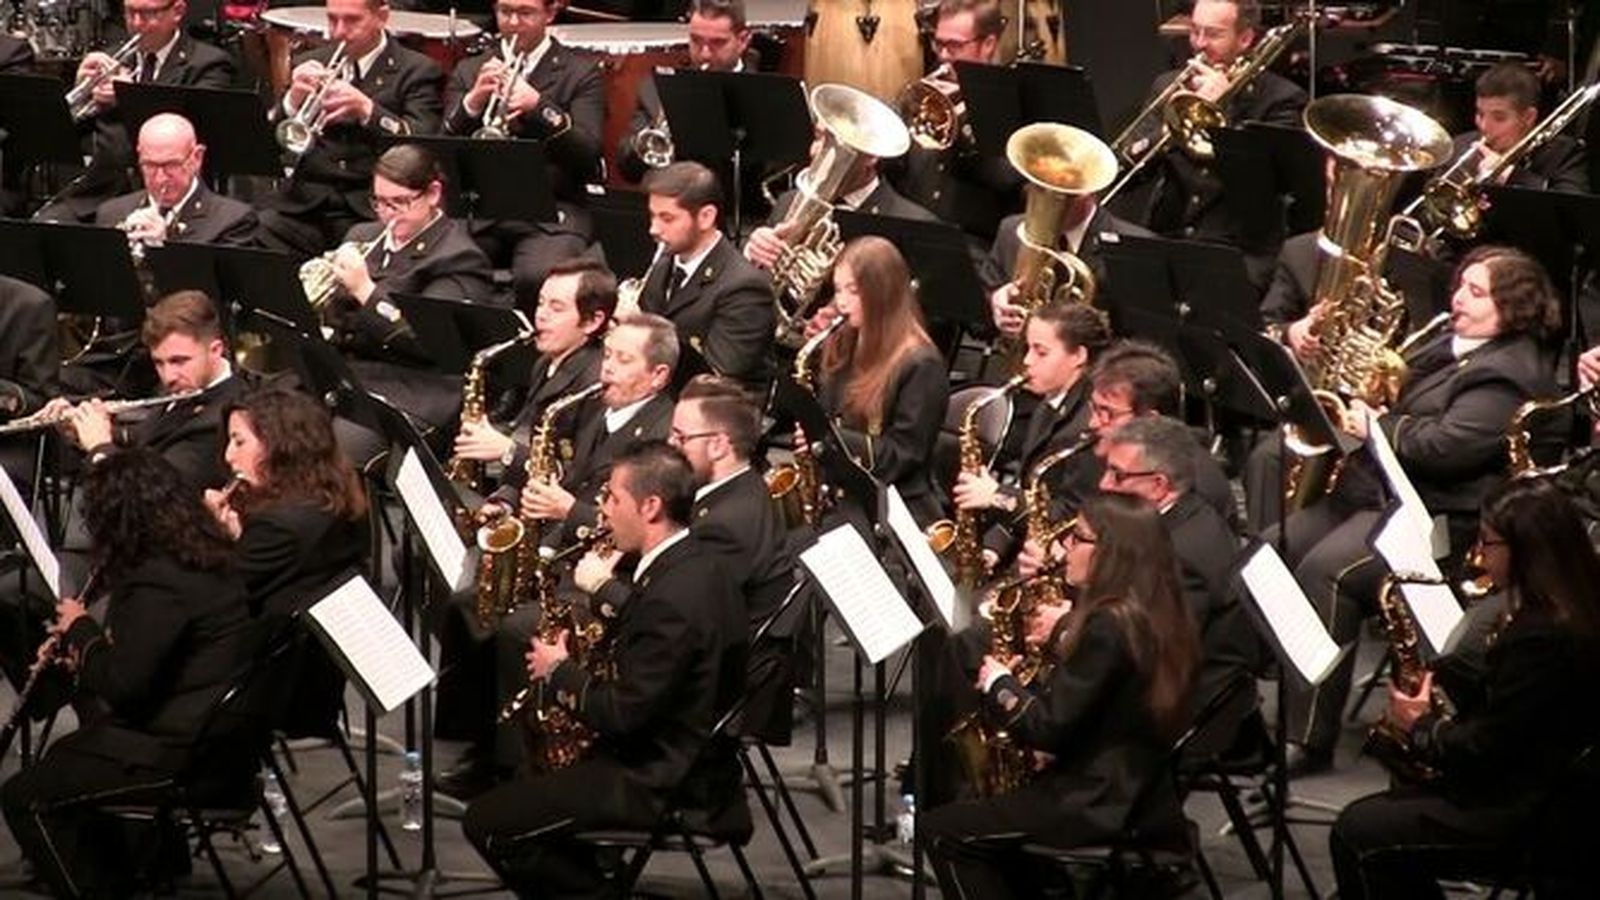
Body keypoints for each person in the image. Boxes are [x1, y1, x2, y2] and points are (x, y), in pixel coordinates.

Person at [1274, 245, 1560, 775]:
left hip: (1435, 518)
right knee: (1274, 547)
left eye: (1477, 292)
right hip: (1377, 493)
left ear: (1513, 306)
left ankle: (1308, 736)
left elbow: (1447, 447)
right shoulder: (1450, 342)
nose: (1458, 299)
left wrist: (1377, 424)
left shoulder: (1509, 372)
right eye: (1460, 286)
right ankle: (1255, 708)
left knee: (1326, 573)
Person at [463, 442, 750, 895]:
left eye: (613, 499)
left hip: (661, 780)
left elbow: (622, 714)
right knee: (527, 786)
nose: (603, 511)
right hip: (691, 759)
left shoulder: (674, 595)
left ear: (651, 506)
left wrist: (558, 672)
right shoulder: (697, 564)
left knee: (488, 822)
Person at [920, 492, 1202, 898]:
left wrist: (1001, 683)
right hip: (1141, 790)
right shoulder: (1157, 608)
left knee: (943, 831)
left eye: (1078, 538)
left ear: (1111, 553)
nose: (1065, 549)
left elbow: (1047, 727)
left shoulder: (1109, 625)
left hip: (1095, 801)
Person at [0, 449, 254, 898]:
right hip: (217, 738)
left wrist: (80, 629)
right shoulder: (204, 554)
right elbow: (151, 655)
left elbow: (123, 686)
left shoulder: (158, 578)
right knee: (65, 756)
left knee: (25, 796)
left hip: (181, 753)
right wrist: (87, 653)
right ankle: (132, 873)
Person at [1330, 478, 1600, 898]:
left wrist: (1421, 725)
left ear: (1523, 551)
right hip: (1553, 789)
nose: (1478, 554)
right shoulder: (1577, 601)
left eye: (1488, 543)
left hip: (1532, 813)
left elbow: (1486, 749)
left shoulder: (1542, 636)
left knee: (1356, 832)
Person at [203, 388, 369, 738]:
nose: (228, 456)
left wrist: (211, 533)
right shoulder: (333, 497)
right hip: (316, 681)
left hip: (267, 688)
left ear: (280, 445)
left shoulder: (278, 525)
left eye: (239, 442)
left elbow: (213, 595)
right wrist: (239, 539)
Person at [1097, 416, 1259, 754]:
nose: (1104, 484)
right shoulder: (1187, 513)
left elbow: (1148, 653)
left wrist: (1065, 627)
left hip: (1179, 710)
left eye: (1118, 474)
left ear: (1158, 485)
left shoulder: (1180, 556)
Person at [321, 143, 498, 432]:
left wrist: (365, 290)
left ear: (433, 194)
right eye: (379, 202)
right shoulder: (362, 235)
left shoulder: (459, 257)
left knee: (341, 440)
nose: (388, 214)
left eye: (400, 202)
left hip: (413, 387)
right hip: (352, 373)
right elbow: (337, 317)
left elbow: (429, 343)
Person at [1130, 0, 1305, 283]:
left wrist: (1225, 110)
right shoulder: (1168, 86)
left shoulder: (1282, 100)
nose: (1198, 44)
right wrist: (1170, 126)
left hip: (1238, 253)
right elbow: (1130, 174)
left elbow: (1263, 184)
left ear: (1245, 38)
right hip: (1167, 238)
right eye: (1194, 31)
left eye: (1212, 34)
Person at [443, 0, 604, 305]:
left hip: (553, 210)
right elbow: (441, 148)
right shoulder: (469, 70)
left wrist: (539, 108)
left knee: (540, 276)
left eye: (525, 12)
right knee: (443, 263)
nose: (513, 22)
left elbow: (588, 155)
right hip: (480, 209)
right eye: (505, 11)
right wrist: (473, 102)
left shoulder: (581, 73)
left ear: (550, 13)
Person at [259, 0, 444, 258]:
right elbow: (267, 141)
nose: (338, 32)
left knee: (361, 244)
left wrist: (369, 111)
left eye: (351, 20)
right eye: (332, 19)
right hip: (307, 204)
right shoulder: (310, 62)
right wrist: (293, 100)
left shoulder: (417, 70)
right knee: (254, 227)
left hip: (369, 206)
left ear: (382, 17)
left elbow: (424, 144)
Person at [667, 375, 796, 740]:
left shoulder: (727, 523)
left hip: (715, 681)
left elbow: (682, 618)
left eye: (681, 437)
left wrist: (605, 587)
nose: (670, 446)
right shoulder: (737, 488)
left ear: (720, 445)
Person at [35, 0, 235, 223]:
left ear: (177, 11)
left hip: (168, 193)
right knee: (43, 229)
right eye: (130, 13)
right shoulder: (110, 58)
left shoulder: (208, 64)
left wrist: (129, 96)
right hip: (103, 192)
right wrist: (79, 91)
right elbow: (56, 138)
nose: (137, 23)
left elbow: (196, 127)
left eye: (148, 13)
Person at [956, 302, 1112, 574]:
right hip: (1026, 547)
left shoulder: (1088, 427)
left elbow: (1070, 515)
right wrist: (994, 547)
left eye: (1041, 352)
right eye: (1028, 349)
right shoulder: (1045, 406)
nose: (1027, 360)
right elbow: (1027, 484)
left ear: (1078, 356)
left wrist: (996, 495)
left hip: (1060, 564)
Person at [810, 236, 949, 525]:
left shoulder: (921, 364)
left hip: (892, 505)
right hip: (844, 490)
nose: (842, 302)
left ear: (881, 293)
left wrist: (833, 440)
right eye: (838, 290)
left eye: (853, 291)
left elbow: (904, 454)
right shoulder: (845, 341)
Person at [52, 290, 249, 491]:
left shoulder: (223, 417)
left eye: (179, 361)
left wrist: (99, 447)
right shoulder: (188, 385)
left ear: (215, 350)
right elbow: (148, 437)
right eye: (159, 363)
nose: (168, 376)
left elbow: (154, 495)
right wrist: (85, 430)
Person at [450, 257, 615, 472]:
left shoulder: (596, 383)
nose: (540, 315)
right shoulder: (544, 362)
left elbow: (576, 472)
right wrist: (503, 501)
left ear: (593, 321)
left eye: (556, 308)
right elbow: (528, 435)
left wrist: (509, 451)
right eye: (540, 303)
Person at [887, 0, 1019, 246]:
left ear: (988, 44)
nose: (943, 55)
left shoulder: (1012, 101)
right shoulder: (923, 95)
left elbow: (1006, 179)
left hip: (973, 249)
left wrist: (966, 122)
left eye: (955, 46)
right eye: (939, 43)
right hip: (909, 234)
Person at [634, 162, 774, 390]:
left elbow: (717, 376)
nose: (654, 229)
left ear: (706, 217)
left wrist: (641, 333)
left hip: (715, 410)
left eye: (667, 218)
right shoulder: (664, 262)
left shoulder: (744, 287)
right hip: (662, 395)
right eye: (652, 216)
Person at [616, 0, 755, 185]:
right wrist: (650, 140)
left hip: (736, 208)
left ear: (743, 40)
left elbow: (768, 173)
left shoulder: (765, 95)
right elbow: (628, 170)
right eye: (696, 40)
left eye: (717, 43)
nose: (705, 54)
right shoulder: (657, 87)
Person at [93, 113, 257, 247]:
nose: (160, 178)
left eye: (171, 165)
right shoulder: (111, 213)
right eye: (149, 165)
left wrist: (165, 247)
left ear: (197, 158)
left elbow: (220, 285)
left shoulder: (233, 220)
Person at [1447, 63, 1589, 195]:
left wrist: (1510, 175)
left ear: (1528, 117)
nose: (1483, 126)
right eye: (1480, 114)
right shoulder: (1460, 146)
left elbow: (1573, 213)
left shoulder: (1564, 154)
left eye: (1499, 118)